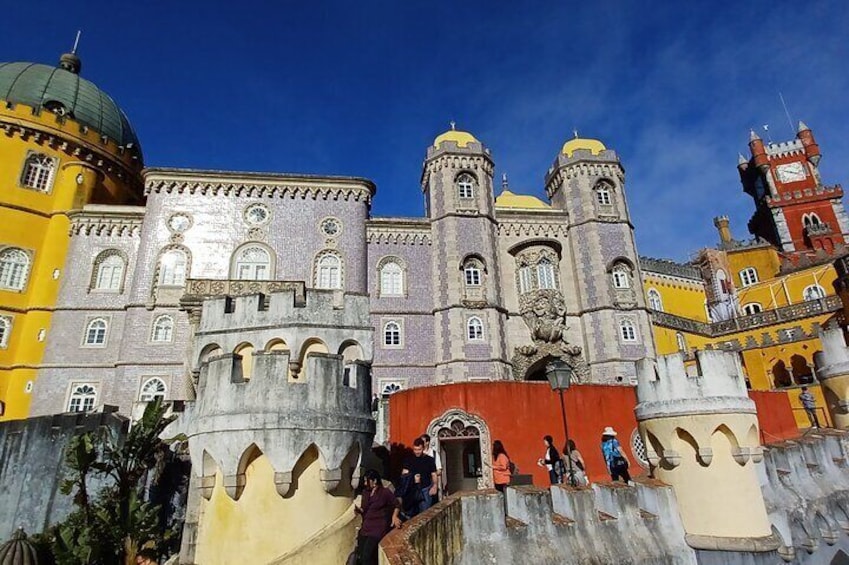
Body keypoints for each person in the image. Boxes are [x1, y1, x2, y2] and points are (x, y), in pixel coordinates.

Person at [354, 469, 402, 565]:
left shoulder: (385, 492)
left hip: (377, 527)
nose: (365, 483)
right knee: (361, 555)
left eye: (367, 481)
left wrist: (394, 516)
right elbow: (365, 508)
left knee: (366, 557)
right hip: (366, 527)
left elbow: (397, 504)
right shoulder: (365, 492)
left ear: (374, 481)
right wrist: (359, 511)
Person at [401, 437, 438, 515]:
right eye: (415, 449)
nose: (417, 452)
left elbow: (434, 474)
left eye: (419, 450)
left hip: (425, 490)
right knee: (410, 515)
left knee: (425, 514)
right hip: (412, 490)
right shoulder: (409, 460)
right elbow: (404, 475)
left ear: (423, 448)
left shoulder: (429, 460)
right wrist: (411, 478)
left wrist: (434, 486)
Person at [421, 433, 443, 499]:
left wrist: (430, 474)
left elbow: (439, 470)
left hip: (431, 484)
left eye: (423, 442)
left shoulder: (434, 454)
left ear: (427, 442)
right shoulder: (418, 454)